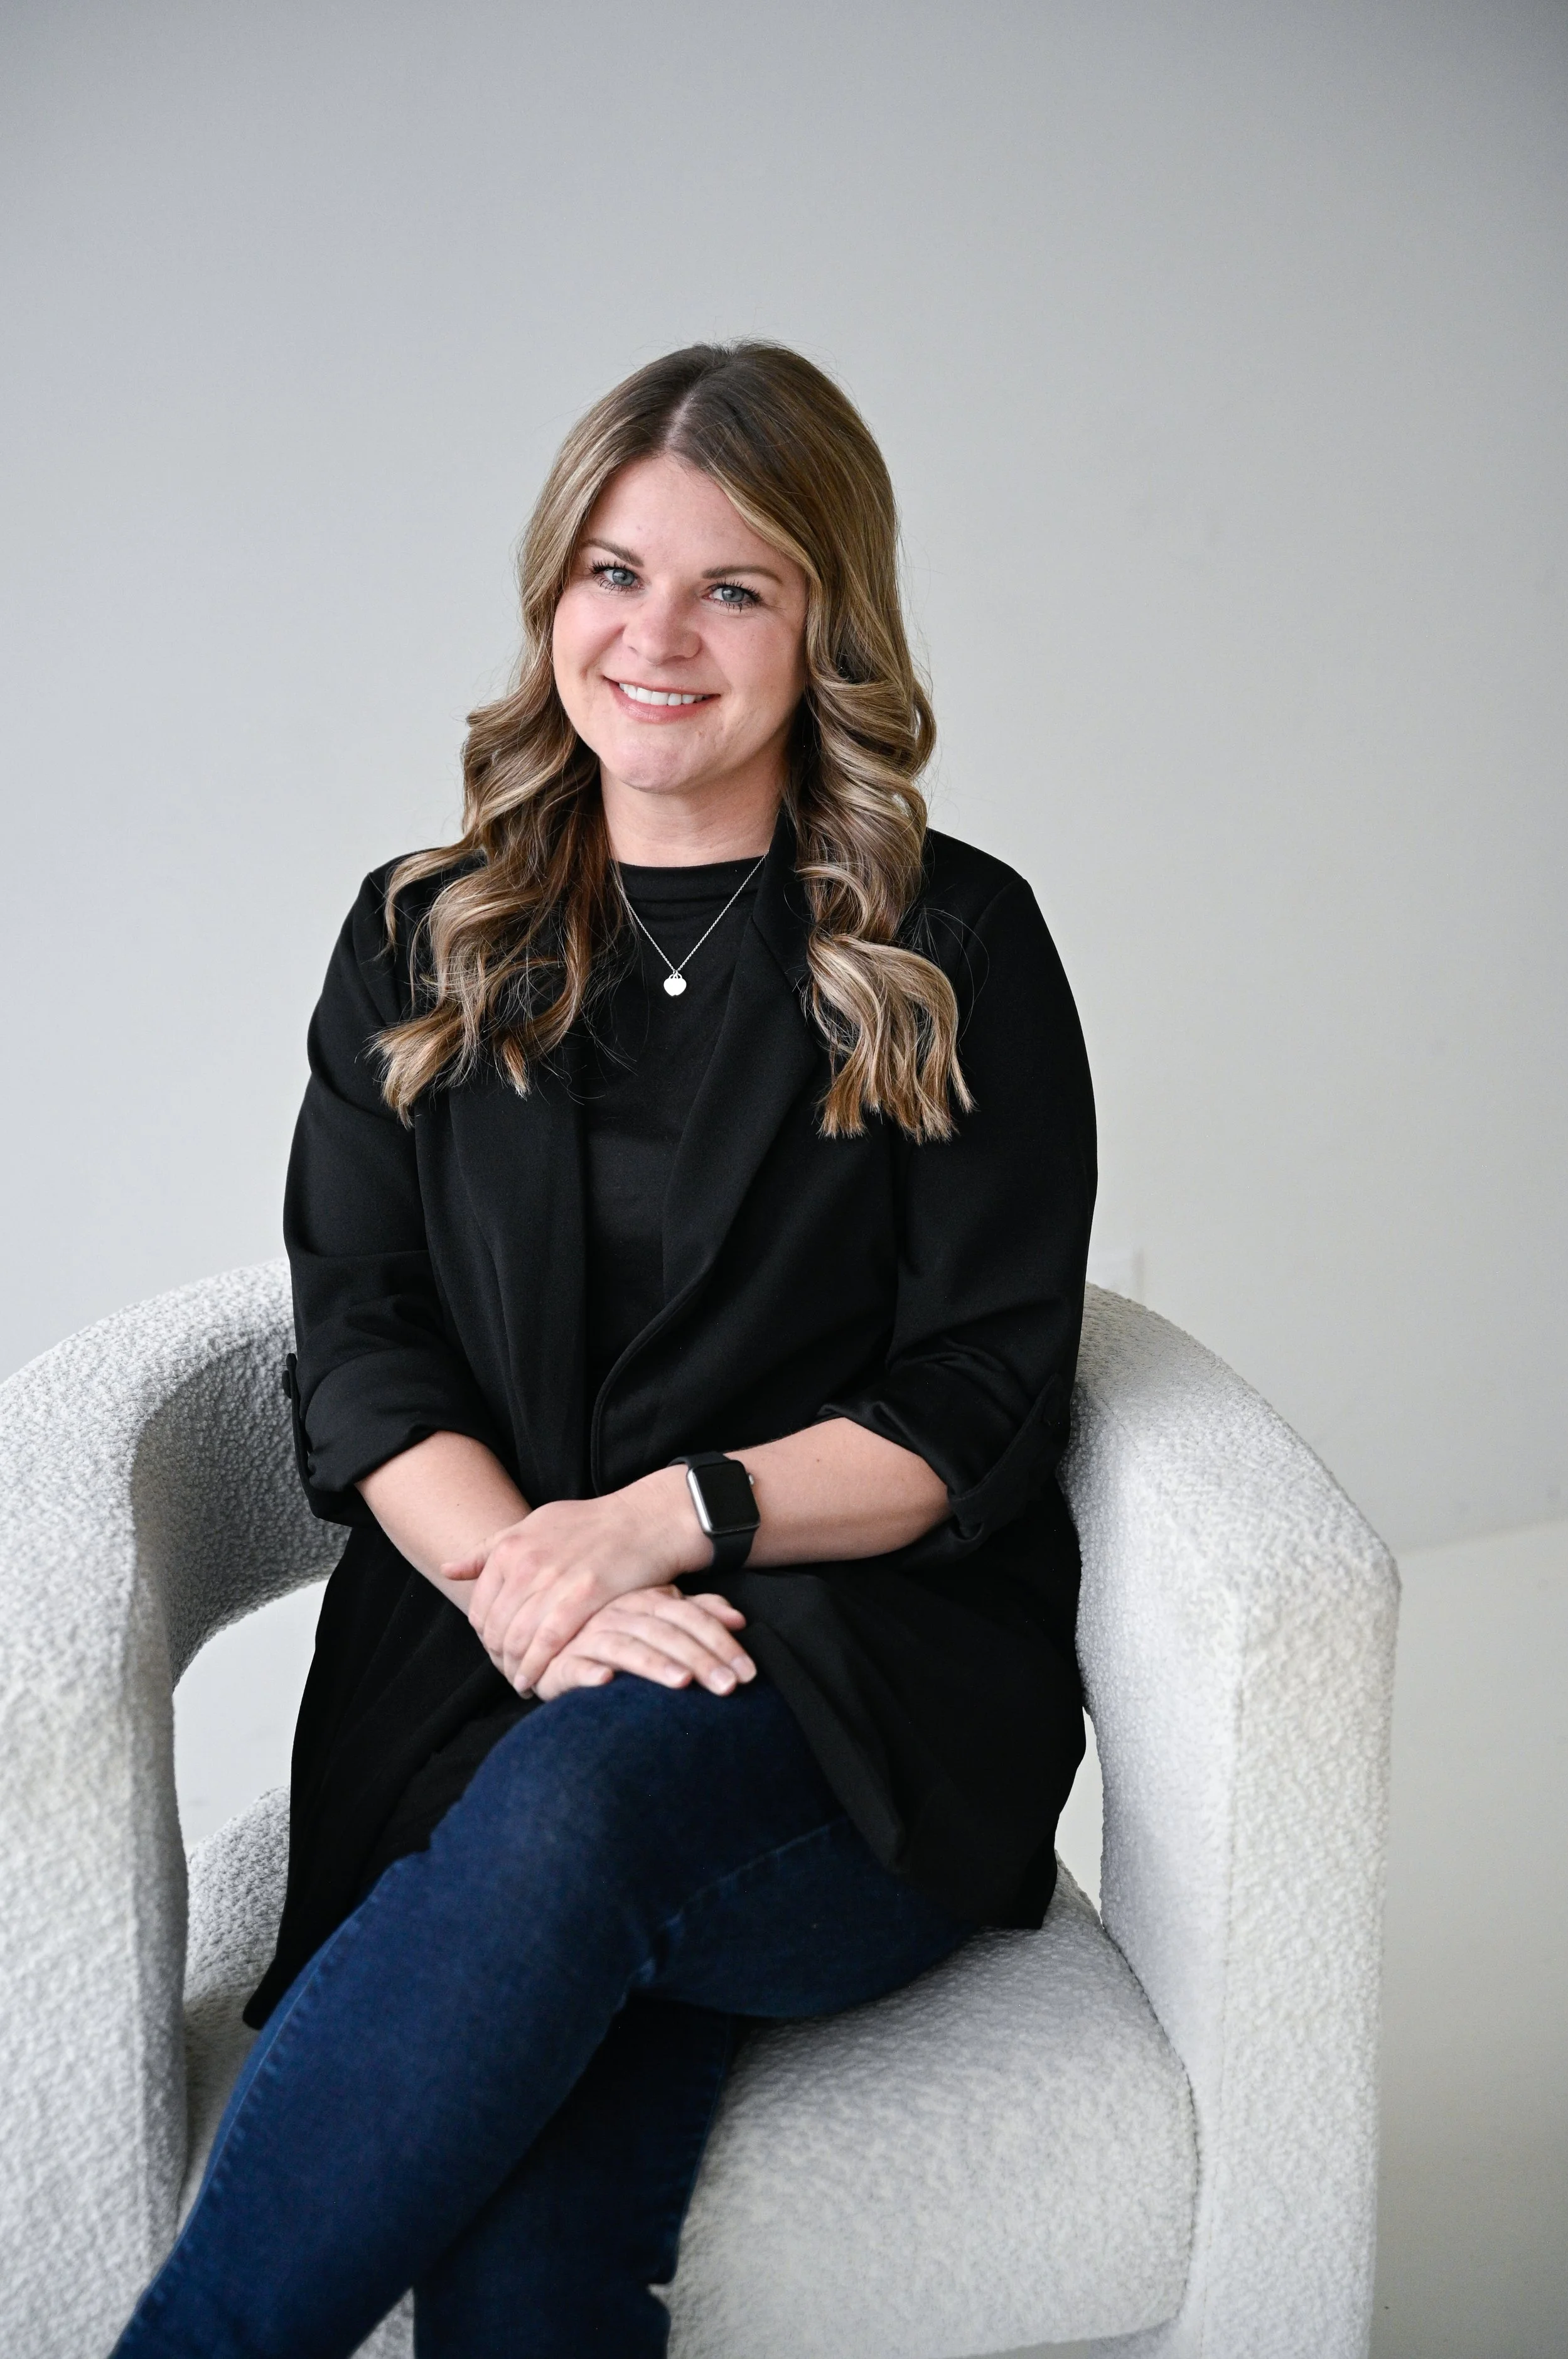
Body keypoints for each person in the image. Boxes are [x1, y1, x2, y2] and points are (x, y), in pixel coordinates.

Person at [114, 341, 1096, 2358]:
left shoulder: (954, 944)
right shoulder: (422, 935)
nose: (657, 636)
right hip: (485, 1656)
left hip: (853, 1682)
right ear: (550, 593)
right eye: (611, 573)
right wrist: (524, 1583)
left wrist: (653, 1528)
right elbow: (363, 1335)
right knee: (533, 2246)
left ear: (826, 622)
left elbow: (979, 1390)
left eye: (733, 587)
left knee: (579, 1811)